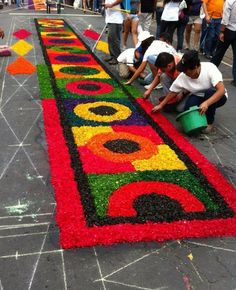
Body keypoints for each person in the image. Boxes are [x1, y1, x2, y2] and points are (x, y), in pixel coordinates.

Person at [152, 50, 228, 133]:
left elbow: (221, 90)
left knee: (209, 93)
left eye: (186, 70)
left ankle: (209, 123)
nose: (184, 73)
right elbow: (173, 91)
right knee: (186, 108)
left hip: (218, 96)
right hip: (198, 95)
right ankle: (205, 110)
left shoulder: (210, 68)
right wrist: (161, 105)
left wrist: (207, 103)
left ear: (195, 67)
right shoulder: (184, 75)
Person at [211, 0, 236, 87]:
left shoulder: (229, 1)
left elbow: (225, 17)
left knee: (219, 53)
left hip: (228, 30)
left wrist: (222, 31)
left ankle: (209, 74)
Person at [103, 0, 123, 65]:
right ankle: (112, 56)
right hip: (110, 19)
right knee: (110, 39)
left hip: (115, 19)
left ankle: (117, 58)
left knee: (115, 40)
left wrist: (111, 5)